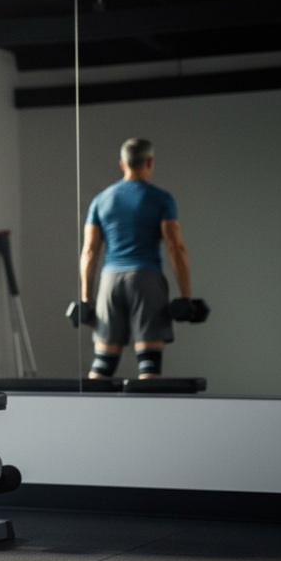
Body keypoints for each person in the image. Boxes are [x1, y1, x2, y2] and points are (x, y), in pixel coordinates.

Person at [78, 138, 193, 380]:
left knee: (101, 367)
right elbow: (176, 248)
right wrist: (186, 297)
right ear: (150, 162)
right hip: (146, 279)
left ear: (122, 164)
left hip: (110, 281)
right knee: (149, 367)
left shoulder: (101, 200)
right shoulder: (162, 199)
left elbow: (89, 251)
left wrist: (86, 300)